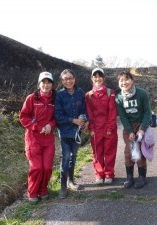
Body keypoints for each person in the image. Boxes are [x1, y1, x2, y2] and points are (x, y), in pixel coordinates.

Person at [19, 71, 56, 204]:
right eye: (43, 82)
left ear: (52, 84)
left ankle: (43, 190)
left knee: (46, 167)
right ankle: (32, 192)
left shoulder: (55, 99)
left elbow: (57, 118)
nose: (46, 85)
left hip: (48, 139)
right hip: (33, 139)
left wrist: (50, 125)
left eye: (49, 82)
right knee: (36, 167)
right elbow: (23, 117)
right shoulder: (31, 98)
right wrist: (37, 127)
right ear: (39, 84)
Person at [54, 69, 89, 199]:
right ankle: (63, 186)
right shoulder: (59, 95)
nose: (68, 81)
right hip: (64, 131)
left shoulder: (80, 93)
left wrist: (85, 120)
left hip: (76, 132)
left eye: (70, 78)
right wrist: (73, 120)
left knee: (74, 156)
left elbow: (85, 109)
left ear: (74, 78)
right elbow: (58, 115)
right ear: (62, 81)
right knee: (66, 157)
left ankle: (71, 181)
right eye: (65, 79)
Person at [115, 71, 152, 189]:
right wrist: (130, 131)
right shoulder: (119, 98)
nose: (124, 82)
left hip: (141, 125)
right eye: (121, 80)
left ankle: (142, 177)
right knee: (129, 152)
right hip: (128, 128)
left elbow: (147, 112)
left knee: (140, 151)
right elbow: (123, 116)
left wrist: (142, 130)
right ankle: (129, 177)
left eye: (126, 79)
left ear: (132, 81)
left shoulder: (142, 94)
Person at [85, 68, 118, 184]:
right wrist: (92, 129)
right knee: (97, 153)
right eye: (95, 77)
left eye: (100, 76)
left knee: (110, 151)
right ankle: (99, 174)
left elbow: (112, 111)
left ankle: (109, 173)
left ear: (104, 78)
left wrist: (110, 128)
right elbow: (89, 114)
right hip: (96, 129)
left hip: (109, 127)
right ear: (92, 79)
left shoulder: (110, 92)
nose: (97, 79)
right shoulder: (88, 95)